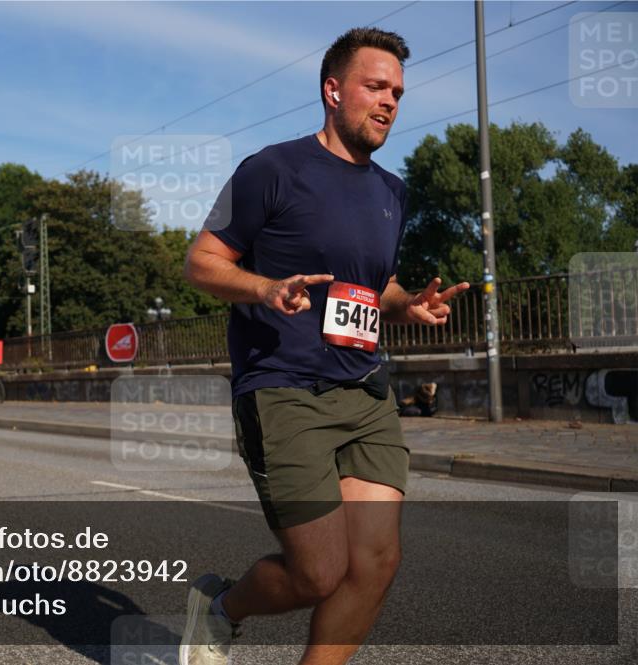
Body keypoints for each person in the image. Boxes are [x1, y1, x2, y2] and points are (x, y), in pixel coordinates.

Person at [181, 27, 469, 665]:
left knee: (375, 562)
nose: (390, 100)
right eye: (375, 86)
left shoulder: (393, 192)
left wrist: (406, 304)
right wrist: (263, 287)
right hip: (283, 390)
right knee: (317, 572)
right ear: (333, 90)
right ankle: (222, 608)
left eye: (397, 91)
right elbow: (200, 263)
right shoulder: (269, 170)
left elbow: (374, 286)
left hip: (364, 390)